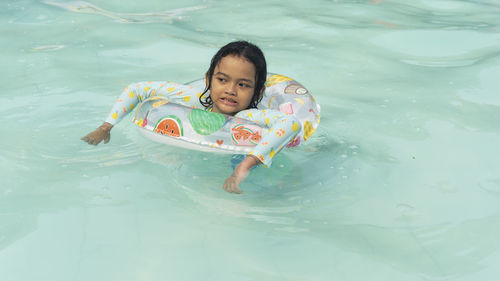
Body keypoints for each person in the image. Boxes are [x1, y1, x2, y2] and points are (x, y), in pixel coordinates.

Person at [81, 41, 301, 194]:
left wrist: (246, 165)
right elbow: (138, 89)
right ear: (208, 80)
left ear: (258, 93)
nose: (231, 90)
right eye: (222, 80)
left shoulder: (251, 117)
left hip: (238, 156)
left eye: (243, 85)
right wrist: (106, 127)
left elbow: (290, 123)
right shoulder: (194, 99)